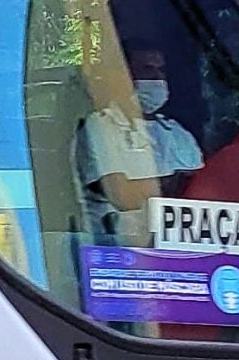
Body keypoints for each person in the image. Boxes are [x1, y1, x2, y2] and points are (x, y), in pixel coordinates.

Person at [76, 47, 203, 243]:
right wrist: (173, 183)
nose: (157, 78)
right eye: (147, 70)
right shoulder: (101, 126)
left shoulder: (177, 132)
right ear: (124, 75)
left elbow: (201, 192)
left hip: (175, 247)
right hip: (113, 249)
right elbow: (122, 196)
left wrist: (155, 186)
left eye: (160, 71)